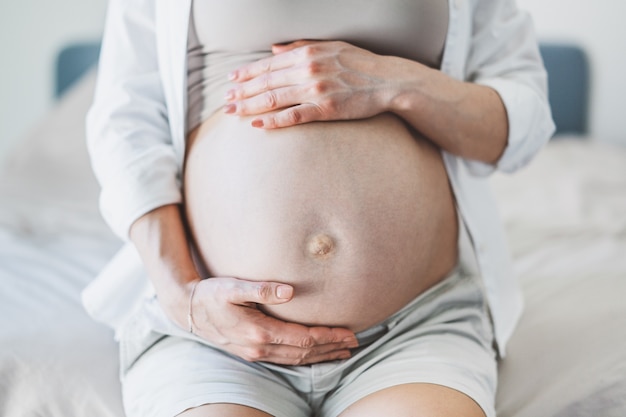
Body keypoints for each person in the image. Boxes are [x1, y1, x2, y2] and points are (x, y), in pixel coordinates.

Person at [84, 1, 555, 416]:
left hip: (413, 328)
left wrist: (396, 81)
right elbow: (125, 120)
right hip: (217, 333)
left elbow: (522, 124)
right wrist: (180, 295)